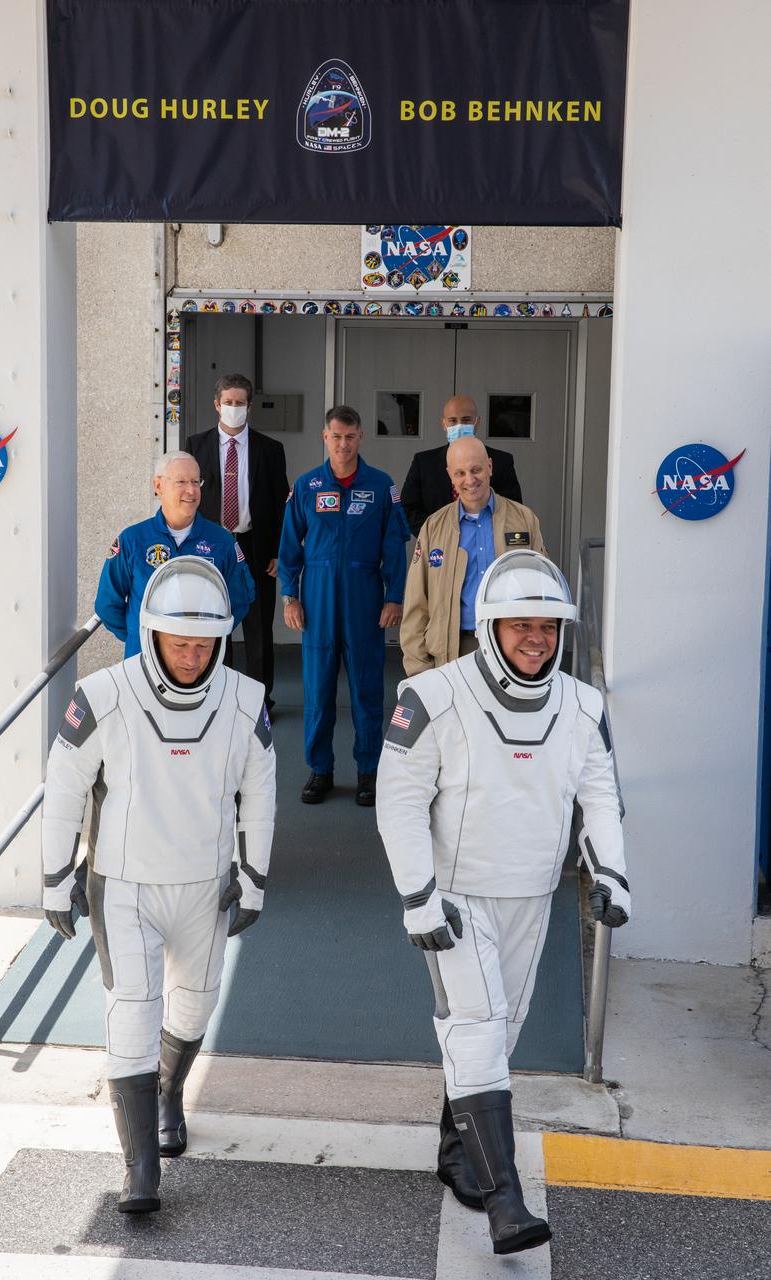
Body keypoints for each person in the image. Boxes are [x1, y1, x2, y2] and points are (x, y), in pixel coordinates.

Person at [377, 550, 629, 1255]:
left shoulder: (582, 705)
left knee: (499, 1029)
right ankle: (504, 1199)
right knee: (481, 1024)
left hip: (530, 893)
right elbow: (398, 802)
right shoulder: (432, 696)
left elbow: (600, 795)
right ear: (488, 627)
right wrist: (418, 896)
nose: (535, 639)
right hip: (456, 895)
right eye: (520, 625)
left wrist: (612, 873)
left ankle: (458, 1146)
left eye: (547, 627)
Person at [42, 557, 276, 1214]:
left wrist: (254, 875)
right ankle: (140, 1166)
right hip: (123, 885)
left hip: (206, 884)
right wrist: (56, 878)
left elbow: (258, 795)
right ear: (150, 632)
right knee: (133, 1015)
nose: (192, 655)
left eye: (204, 643)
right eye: (180, 641)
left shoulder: (245, 698)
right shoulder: (101, 695)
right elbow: (61, 791)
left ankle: (170, 1094)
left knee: (196, 1008)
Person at [278, 405, 410, 806]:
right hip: (317, 598)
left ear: (361, 438)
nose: (343, 444)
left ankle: (369, 772)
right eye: (335, 436)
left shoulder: (381, 486)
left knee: (368, 689)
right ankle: (320, 770)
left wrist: (394, 596)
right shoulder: (306, 486)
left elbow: (396, 549)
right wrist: (290, 596)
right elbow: (288, 549)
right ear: (325, 437)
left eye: (350, 437)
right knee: (317, 691)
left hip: (364, 596)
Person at [186, 374, 290, 710]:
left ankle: (259, 701)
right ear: (217, 404)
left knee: (259, 629)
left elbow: (279, 504)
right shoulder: (195, 446)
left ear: (249, 406)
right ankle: (219, 698)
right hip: (211, 550)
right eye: (228, 402)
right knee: (217, 627)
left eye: (240, 403)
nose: (234, 408)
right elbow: (188, 500)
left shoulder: (270, 450)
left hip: (256, 548)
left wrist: (278, 552)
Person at [400, 436, 546, 676]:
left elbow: (542, 590)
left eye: (476, 469)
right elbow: (417, 604)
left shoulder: (524, 520)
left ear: (489, 467)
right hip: (452, 653)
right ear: (450, 475)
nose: (469, 480)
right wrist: (419, 671)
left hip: (510, 650)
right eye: (460, 473)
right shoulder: (433, 527)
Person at [95, 451, 254, 658]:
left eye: (196, 482)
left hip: (199, 666)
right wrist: (141, 637)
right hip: (143, 661)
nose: (191, 490)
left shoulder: (222, 542)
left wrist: (204, 641)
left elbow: (240, 600)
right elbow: (107, 604)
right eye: (181, 482)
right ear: (158, 486)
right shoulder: (132, 540)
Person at [401, 394, 522, 537]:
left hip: (489, 543)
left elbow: (513, 509)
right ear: (444, 424)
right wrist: (436, 535)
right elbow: (407, 508)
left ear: (477, 422)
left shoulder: (501, 461)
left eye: (466, 420)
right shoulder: (423, 462)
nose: (459, 426)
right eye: (453, 420)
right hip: (440, 548)